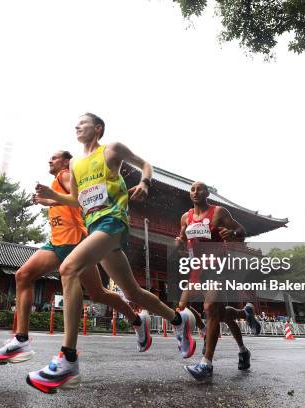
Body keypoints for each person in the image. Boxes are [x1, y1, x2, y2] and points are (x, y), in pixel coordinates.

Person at [29, 113, 196, 393]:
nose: (77, 126)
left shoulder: (112, 150)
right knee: (133, 293)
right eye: (76, 123)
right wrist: (51, 197)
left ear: (98, 128)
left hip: (113, 222)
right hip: (95, 226)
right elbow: (76, 199)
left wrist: (144, 183)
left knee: (68, 269)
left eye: (83, 122)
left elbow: (145, 164)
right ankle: (179, 321)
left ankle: (68, 359)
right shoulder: (78, 165)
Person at [0, 150, 146, 365]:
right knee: (24, 275)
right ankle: (21, 340)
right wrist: (49, 201)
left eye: (55, 157)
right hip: (56, 243)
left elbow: (82, 199)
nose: (50, 159)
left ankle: (136, 320)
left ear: (66, 162)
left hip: (74, 243)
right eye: (49, 156)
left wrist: (52, 200)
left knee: (97, 293)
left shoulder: (65, 175)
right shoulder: (56, 182)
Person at [175, 181, 261, 382]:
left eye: (200, 189)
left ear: (207, 193)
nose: (196, 192)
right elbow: (181, 241)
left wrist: (232, 234)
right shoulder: (185, 217)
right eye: (192, 189)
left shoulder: (218, 212)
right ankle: (242, 333)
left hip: (218, 267)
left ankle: (206, 364)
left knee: (211, 307)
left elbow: (242, 231)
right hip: (196, 269)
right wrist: (178, 243)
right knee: (186, 308)